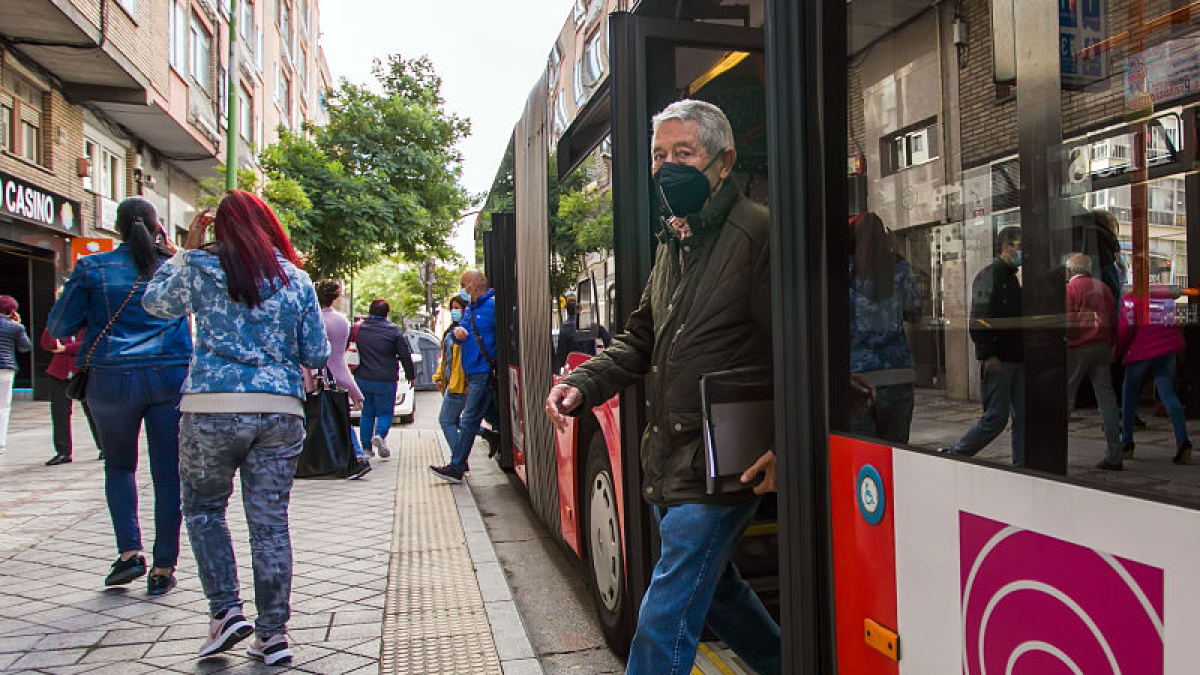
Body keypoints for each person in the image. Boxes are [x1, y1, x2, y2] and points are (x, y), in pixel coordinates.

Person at [544, 99, 780, 675]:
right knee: (716, 591)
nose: (666, 167)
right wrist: (582, 383)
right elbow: (640, 339)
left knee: (664, 616)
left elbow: (805, 349)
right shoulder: (674, 244)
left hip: (725, 463)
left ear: (723, 162)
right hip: (671, 458)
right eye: (659, 155)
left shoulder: (758, 233)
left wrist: (786, 444)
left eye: (683, 153)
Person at [142, 190, 329, 664]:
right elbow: (315, 353)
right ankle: (273, 636)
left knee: (204, 511)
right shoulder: (295, 278)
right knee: (270, 525)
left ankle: (225, 612)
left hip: (210, 408)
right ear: (268, 225)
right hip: (279, 411)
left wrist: (183, 252)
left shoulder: (199, 267)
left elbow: (155, 303)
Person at [46, 197, 193, 595]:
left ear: (117, 228)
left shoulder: (93, 267)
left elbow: (59, 325)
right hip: (170, 375)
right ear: (159, 227)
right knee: (168, 472)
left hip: (111, 377)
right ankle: (163, 567)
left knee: (119, 466)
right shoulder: (174, 267)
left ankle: (129, 553)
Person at [942, 226, 1026, 467]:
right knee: (995, 418)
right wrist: (988, 353)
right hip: (999, 357)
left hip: (1016, 356)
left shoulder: (1012, 277)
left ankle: (1021, 465)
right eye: (1019, 246)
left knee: (1023, 417)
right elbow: (978, 319)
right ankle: (957, 453)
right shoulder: (990, 275)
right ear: (1005, 246)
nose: (1022, 252)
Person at [847, 212, 924, 443]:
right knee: (896, 453)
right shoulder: (900, 268)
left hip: (858, 379)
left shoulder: (842, 271)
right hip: (898, 375)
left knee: (864, 458)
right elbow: (915, 312)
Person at [430, 271, 499, 483]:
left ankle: (457, 466)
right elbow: (458, 335)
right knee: (481, 417)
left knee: (468, 419)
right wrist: (457, 334)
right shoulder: (471, 308)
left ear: (473, 285)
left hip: (483, 371)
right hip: (472, 373)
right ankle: (496, 437)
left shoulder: (493, 306)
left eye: (463, 284)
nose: (461, 289)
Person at [1114, 284, 1192, 465]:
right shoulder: (1164, 298)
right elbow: (1175, 324)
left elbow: (1125, 330)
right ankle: (1183, 441)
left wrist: (1117, 352)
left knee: (1129, 394)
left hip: (1142, 351)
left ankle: (1127, 442)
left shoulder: (1130, 299)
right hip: (1166, 350)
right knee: (1168, 393)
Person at [1063, 253, 1122, 470]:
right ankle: (1115, 454)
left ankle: (1056, 453)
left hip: (1077, 347)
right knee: (1106, 397)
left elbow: (1066, 320)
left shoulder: (1070, 289)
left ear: (1070, 270)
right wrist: (1112, 344)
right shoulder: (1103, 288)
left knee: (1067, 396)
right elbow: (1114, 319)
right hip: (1102, 346)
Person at [314, 280, 371, 479]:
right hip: (340, 374)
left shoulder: (315, 320)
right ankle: (354, 457)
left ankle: (353, 458)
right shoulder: (342, 321)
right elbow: (339, 355)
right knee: (340, 417)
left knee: (325, 419)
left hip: (321, 376)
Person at [353, 298, 414, 459]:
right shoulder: (393, 331)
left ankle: (366, 448)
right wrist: (411, 375)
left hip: (362, 377)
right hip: (385, 379)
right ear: (387, 313)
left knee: (367, 412)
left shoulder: (358, 329)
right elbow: (405, 355)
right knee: (385, 412)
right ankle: (380, 435)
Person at [41, 327, 104, 464]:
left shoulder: (90, 323)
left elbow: (91, 344)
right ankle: (63, 452)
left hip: (84, 373)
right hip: (59, 373)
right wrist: (51, 325)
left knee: (93, 411)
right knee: (60, 412)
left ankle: (104, 447)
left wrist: (65, 349)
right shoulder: (62, 325)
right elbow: (47, 344)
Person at [435, 295, 469, 454]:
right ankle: (486, 434)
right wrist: (439, 377)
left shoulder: (465, 331)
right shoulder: (450, 332)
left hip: (459, 384)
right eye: (452, 309)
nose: (454, 312)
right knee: (454, 420)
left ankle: (458, 459)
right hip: (451, 383)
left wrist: (466, 382)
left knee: (446, 420)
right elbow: (446, 360)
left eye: (457, 308)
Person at [0, 295, 31, 453]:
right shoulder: (15, 327)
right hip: (6, 369)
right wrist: (18, 326)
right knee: (3, 407)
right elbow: (25, 347)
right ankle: (1, 443)